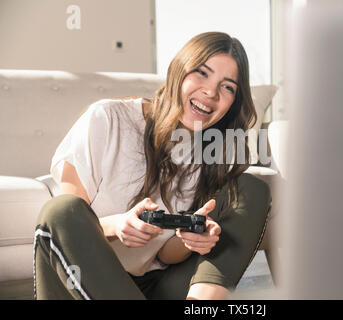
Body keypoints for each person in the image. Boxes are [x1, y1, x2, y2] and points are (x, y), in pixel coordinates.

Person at [34, 32, 271, 300]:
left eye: (227, 86)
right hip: (85, 282)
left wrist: (188, 240)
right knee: (59, 210)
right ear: (178, 70)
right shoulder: (108, 119)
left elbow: (164, 254)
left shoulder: (209, 152)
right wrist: (118, 226)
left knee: (251, 188)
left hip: (152, 286)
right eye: (202, 73)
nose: (211, 92)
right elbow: (68, 224)